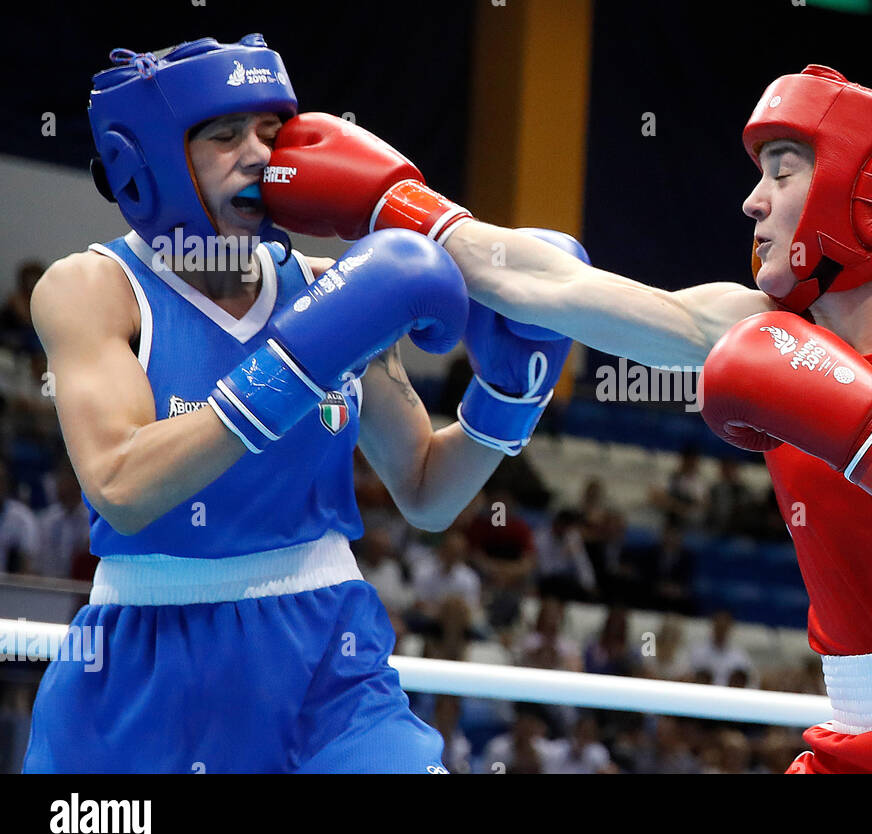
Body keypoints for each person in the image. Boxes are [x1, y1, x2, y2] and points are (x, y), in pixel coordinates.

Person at [263, 65, 872, 772]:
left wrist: (870, 435)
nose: (753, 202)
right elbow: (551, 285)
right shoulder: (754, 327)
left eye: (783, 172)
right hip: (860, 739)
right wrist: (397, 209)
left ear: (871, 188)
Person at [22, 35, 577, 773]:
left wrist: (505, 399)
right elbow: (122, 488)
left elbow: (425, 490)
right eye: (225, 136)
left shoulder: (335, 287)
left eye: (271, 133)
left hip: (330, 655)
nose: (258, 154)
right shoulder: (90, 289)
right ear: (145, 161)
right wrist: (296, 363)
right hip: (147, 660)